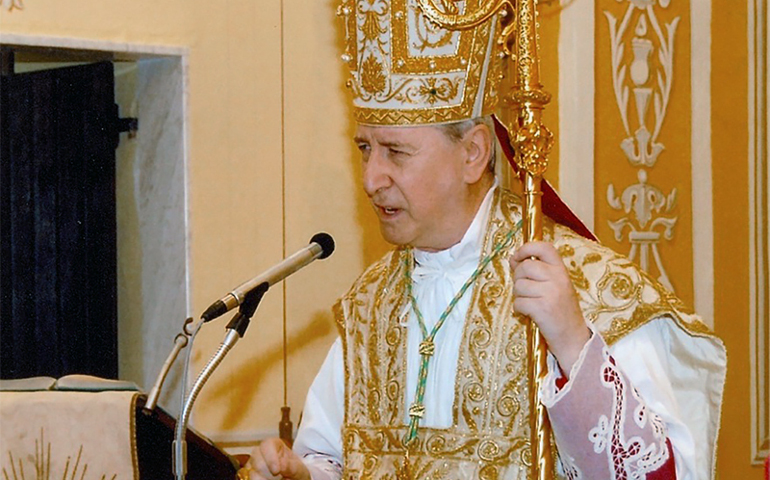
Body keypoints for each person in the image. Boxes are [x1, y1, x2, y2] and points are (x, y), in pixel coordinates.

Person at [239, 2, 726, 479]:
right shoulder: (369, 304)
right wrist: (299, 474)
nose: (371, 178)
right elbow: (336, 458)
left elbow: (663, 474)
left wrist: (574, 343)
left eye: (396, 151)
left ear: (473, 153)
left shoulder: (589, 288)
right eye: (365, 148)